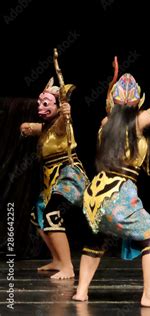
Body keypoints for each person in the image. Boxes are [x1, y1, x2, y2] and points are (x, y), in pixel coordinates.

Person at [72, 73, 150, 309]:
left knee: (96, 238)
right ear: (138, 102)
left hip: (95, 194)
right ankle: (149, 295)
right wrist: (144, 112)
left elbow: (111, 109)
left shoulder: (105, 125)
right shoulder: (137, 123)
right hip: (119, 193)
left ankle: (81, 291)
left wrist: (112, 88)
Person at [20, 77, 88, 279]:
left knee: (51, 213)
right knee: (38, 215)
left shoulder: (62, 124)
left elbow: (62, 124)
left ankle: (67, 267)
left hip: (68, 175)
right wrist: (27, 127)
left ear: (59, 107)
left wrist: (67, 113)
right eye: (39, 103)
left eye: (46, 104)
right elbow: (35, 128)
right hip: (51, 178)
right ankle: (58, 259)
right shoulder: (47, 126)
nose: (41, 107)